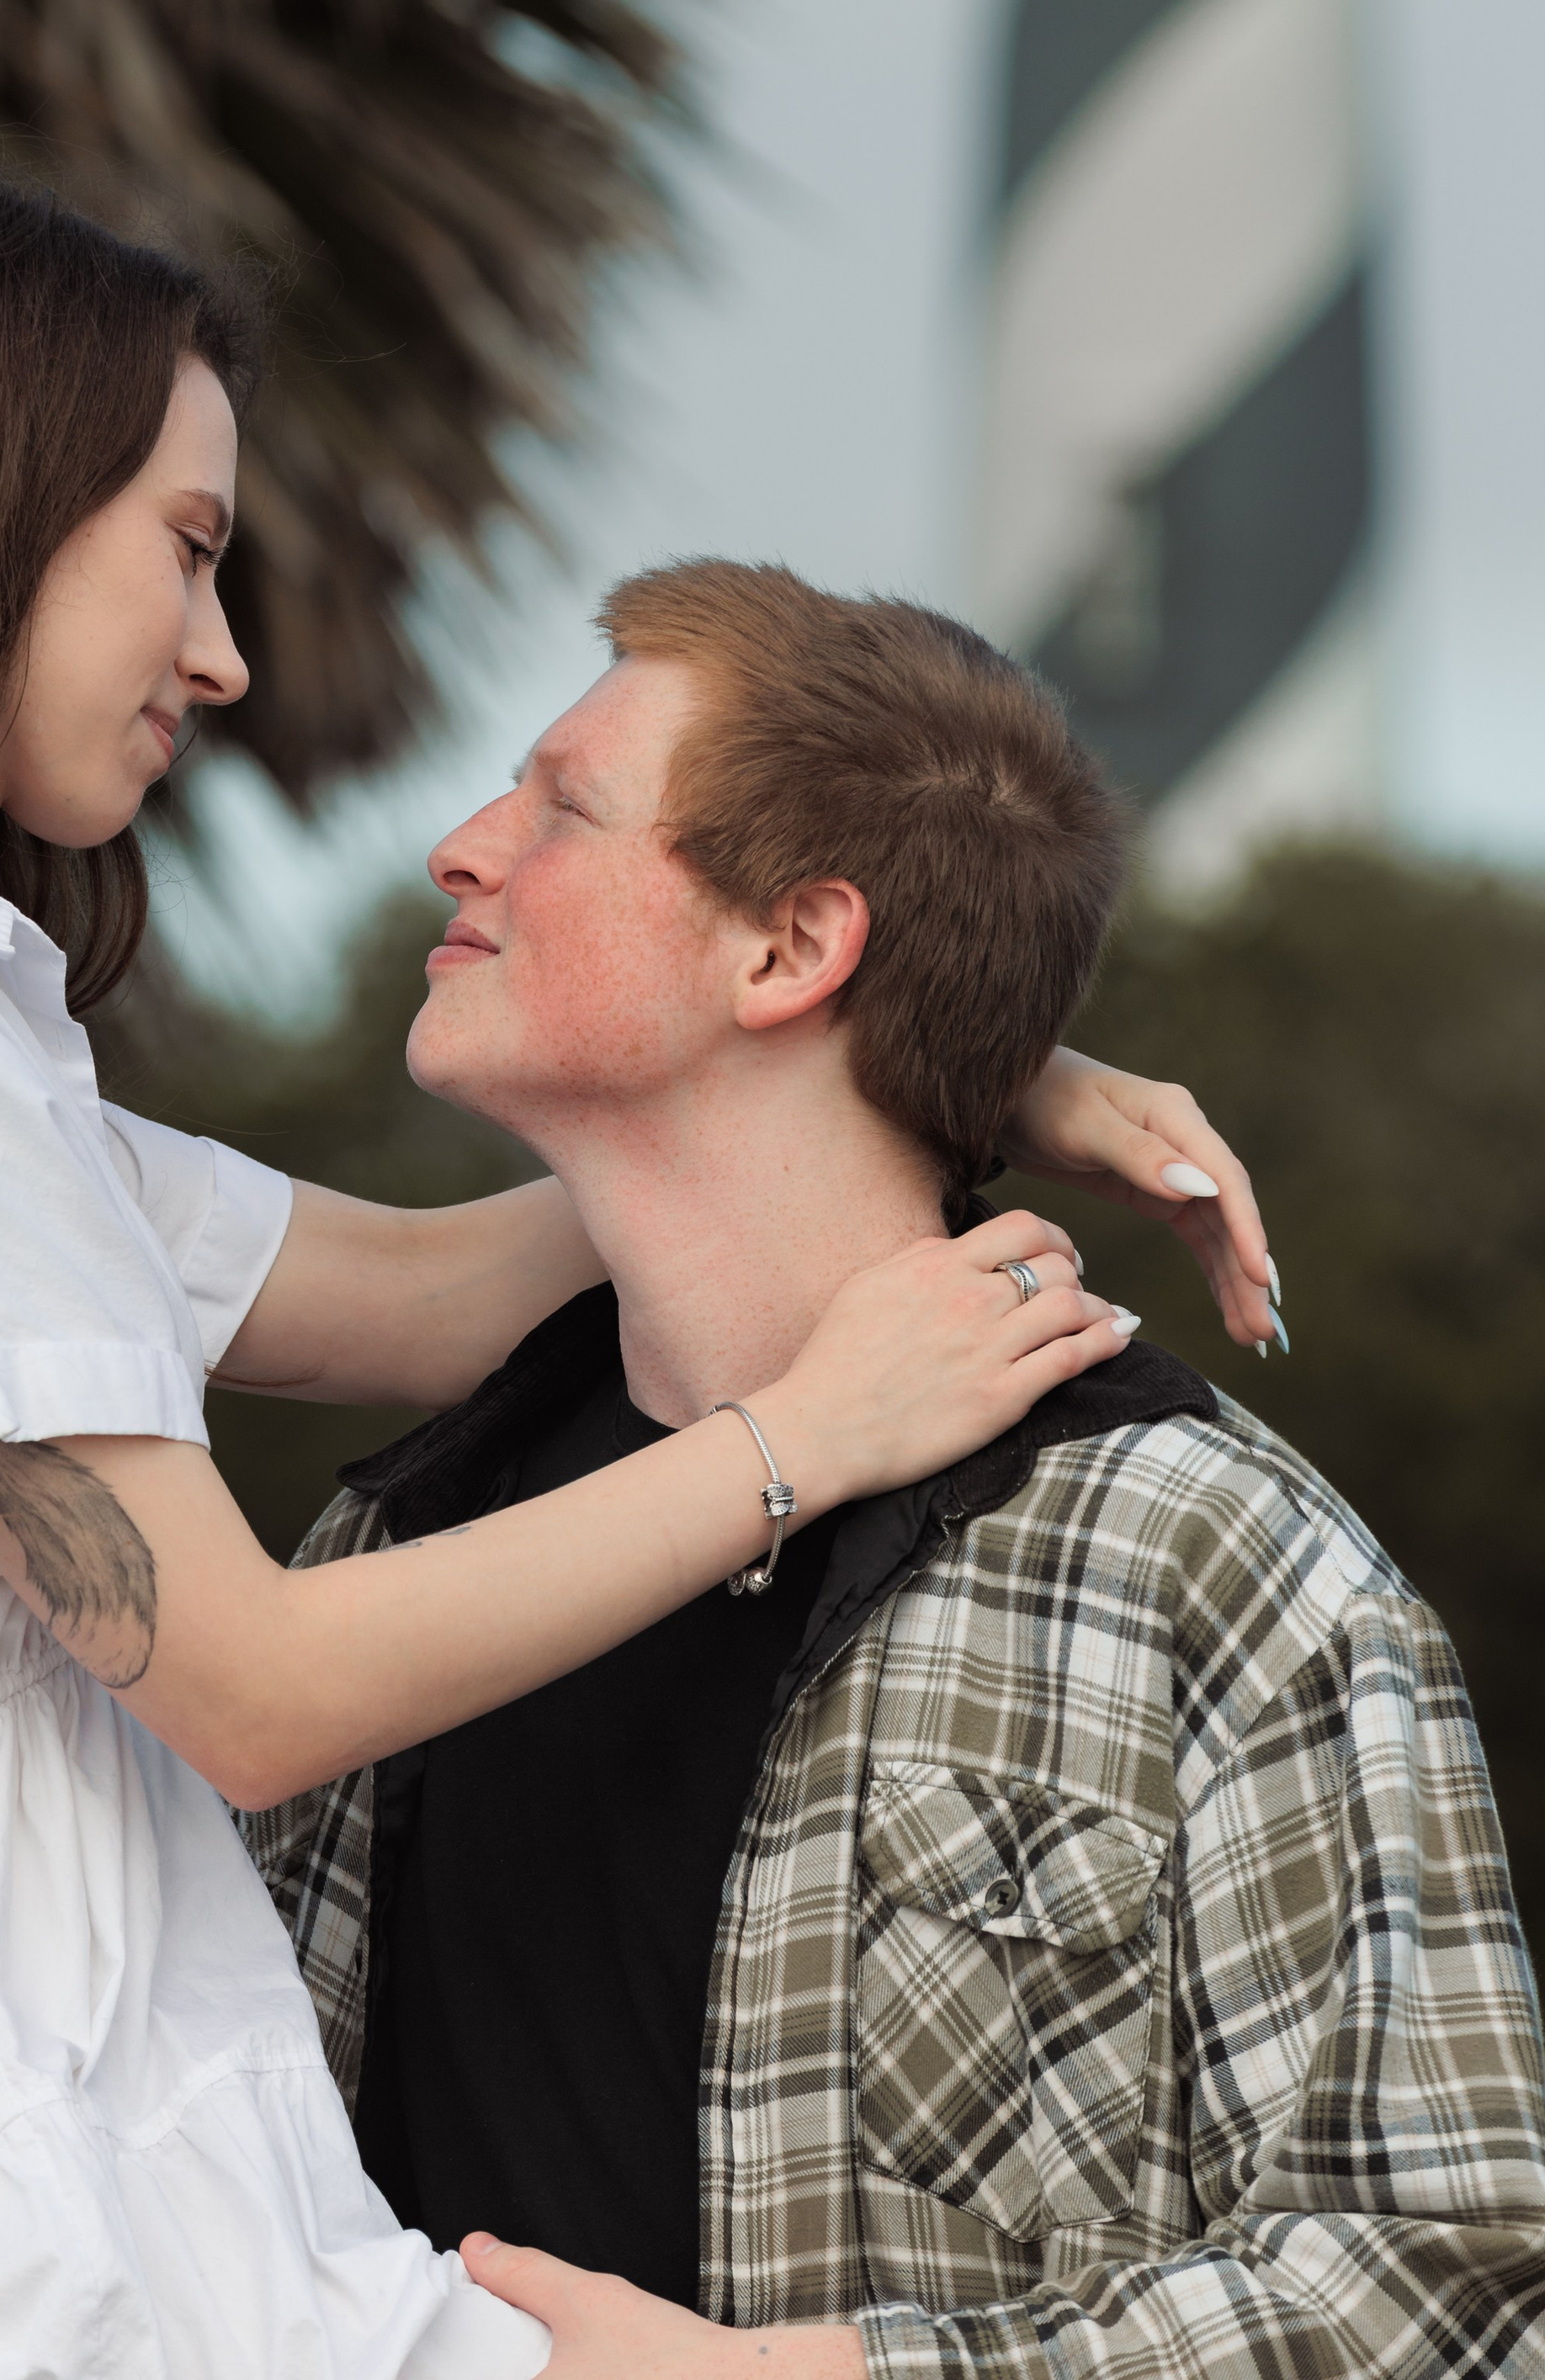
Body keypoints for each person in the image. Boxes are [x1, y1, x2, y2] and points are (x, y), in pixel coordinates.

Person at [0, 171, 1270, 2380]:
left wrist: (908, 1049)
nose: (220, 651)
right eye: (186, 545)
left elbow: (432, 1289)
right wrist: (808, 1434)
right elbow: (252, 1686)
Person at [240, 559, 1545, 2380]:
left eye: (562, 806)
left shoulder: (1211, 1564)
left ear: (790, 950)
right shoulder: (395, 1537)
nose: (461, 848)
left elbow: (1445, 2287)